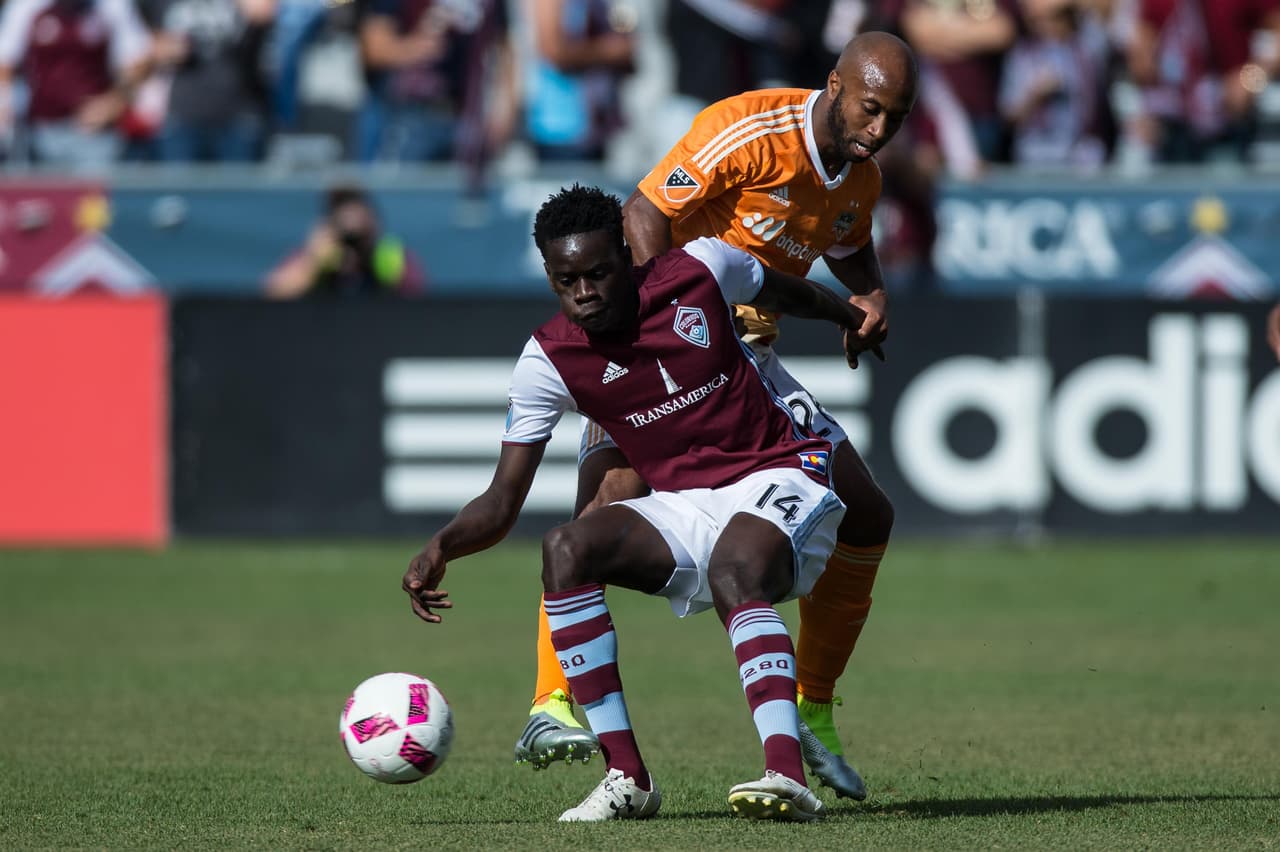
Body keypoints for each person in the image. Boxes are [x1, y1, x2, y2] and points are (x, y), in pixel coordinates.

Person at [513, 31, 919, 803]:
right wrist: (659, 330)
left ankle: (813, 706)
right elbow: (643, 211)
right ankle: (550, 700)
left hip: (748, 365)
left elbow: (849, 246)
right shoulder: (749, 129)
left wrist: (867, 297)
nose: (879, 129)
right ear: (835, 85)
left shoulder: (857, 180)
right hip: (661, 351)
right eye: (871, 109)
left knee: (868, 514)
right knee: (606, 502)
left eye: (895, 118)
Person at [403, 183, 874, 822]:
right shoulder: (548, 359)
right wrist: (442, 546)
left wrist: (851, 316)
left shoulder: (703, 267)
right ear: (549, 275)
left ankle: (786, 777)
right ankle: (628, 778)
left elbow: (785, 289)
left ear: (627, 255)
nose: (584, 292)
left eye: (598, 273)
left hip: (784, 473)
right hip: (687, 506)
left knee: (735, 566)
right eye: (566, 280)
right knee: (567, 547)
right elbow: (502, 498)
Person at [265, 184, 427, 298]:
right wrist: (313, 262)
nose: (350, 220)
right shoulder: (316, 254)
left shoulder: (390, 254)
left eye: (356, 208)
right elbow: (273, 295)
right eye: (341, 209)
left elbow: (418, 304)